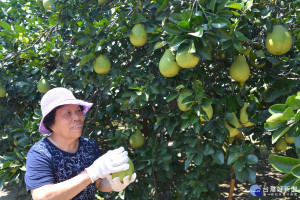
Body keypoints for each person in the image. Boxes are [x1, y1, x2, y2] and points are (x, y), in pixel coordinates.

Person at [25, 87, 136, 200]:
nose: (77, 117)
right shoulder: (40, 153)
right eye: (68, 113)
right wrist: (90, 173)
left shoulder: (89, 146)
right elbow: (43, 197)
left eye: (78, 111)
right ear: (51, 123)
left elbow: (99, 183)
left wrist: (114, 184)